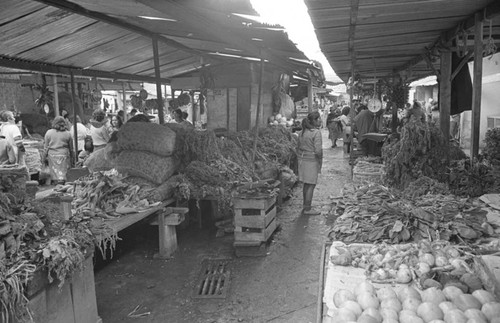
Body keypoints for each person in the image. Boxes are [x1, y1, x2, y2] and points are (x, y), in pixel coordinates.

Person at [297, 111, 323, 215]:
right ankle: (308, 209)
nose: (320, 120)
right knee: (311, 184)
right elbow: (318, 151)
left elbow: (298, 146)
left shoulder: (302, 132)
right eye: (319, 119)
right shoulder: (316, 133)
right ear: (314, 121)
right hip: (312, 161)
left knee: (306, 184)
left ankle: (305, 206)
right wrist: (320, 160)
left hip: (303, 160)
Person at [43, 116, 72, 184]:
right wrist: (72, 159)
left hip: (52, 157)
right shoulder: (68, 134)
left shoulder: (48, 133)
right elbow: (71, 149)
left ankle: (57, 186)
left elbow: (45, 148)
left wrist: (43, 158)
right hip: (64, 156)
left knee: (56, 175)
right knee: (63, 175)